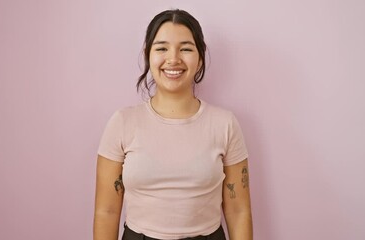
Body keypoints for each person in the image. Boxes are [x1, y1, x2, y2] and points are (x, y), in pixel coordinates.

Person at [93, 9, 253, 240]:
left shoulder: (225, 124)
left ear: (200, 57)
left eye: (186, 48)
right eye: (161, 48)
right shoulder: (122, 123)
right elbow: (106, 212)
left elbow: (239, 211)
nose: (173, 59)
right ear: (148, 54)